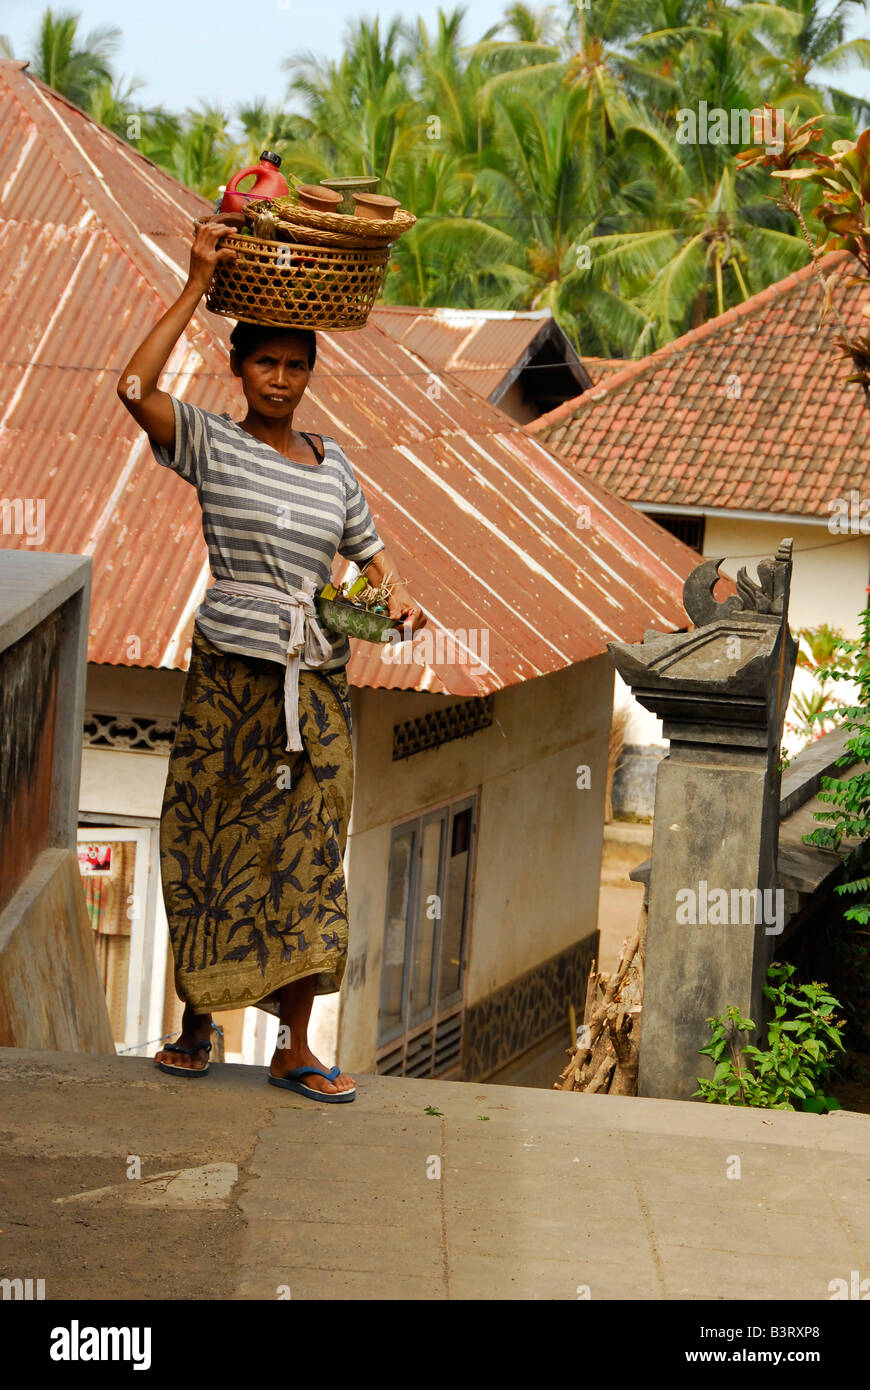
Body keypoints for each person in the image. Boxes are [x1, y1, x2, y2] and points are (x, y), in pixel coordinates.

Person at [117, 219, 427, 1101]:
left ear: (310, 374)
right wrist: (193, 282)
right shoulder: (211, 444)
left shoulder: (336, 471)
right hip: (229, 681)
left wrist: (394, 597)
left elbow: (374, 560)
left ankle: (294, 1044)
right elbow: (132, 386)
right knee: (212, 844)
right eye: (266, 364)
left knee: (307, 855)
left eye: (297, 366)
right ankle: (197, 1021)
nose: (282, 380)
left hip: (318, 687)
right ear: (240, 368)